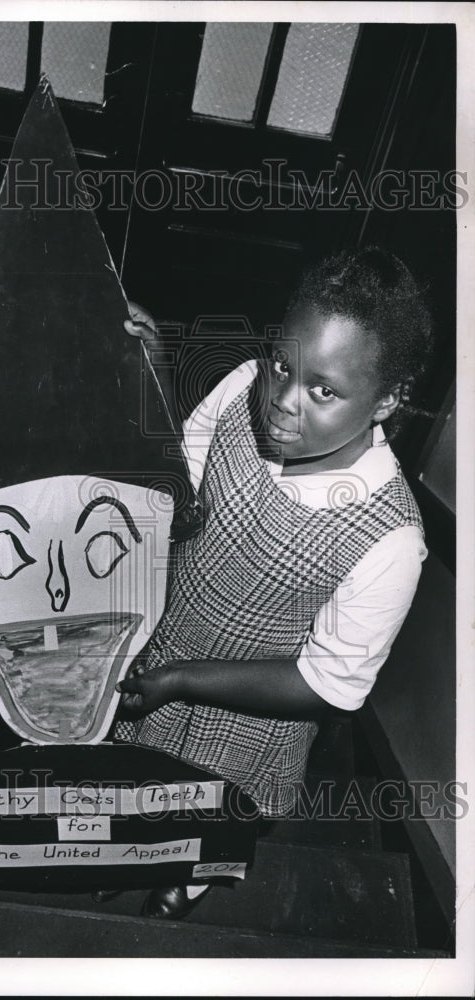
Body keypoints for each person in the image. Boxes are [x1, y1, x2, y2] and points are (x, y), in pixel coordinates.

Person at [107, 245, 431, 920]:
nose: (281, 402)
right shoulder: (241, 388)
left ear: (387, 400)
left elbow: (326, 685)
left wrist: (185, 678)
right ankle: (130, 852)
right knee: (134, 783)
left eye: (324, 390)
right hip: (158, 652)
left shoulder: (389, 537)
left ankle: (188, 879)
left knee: (212, 816)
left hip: (247, 720)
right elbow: (179, 493)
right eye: (284, 364)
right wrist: (155, 374)